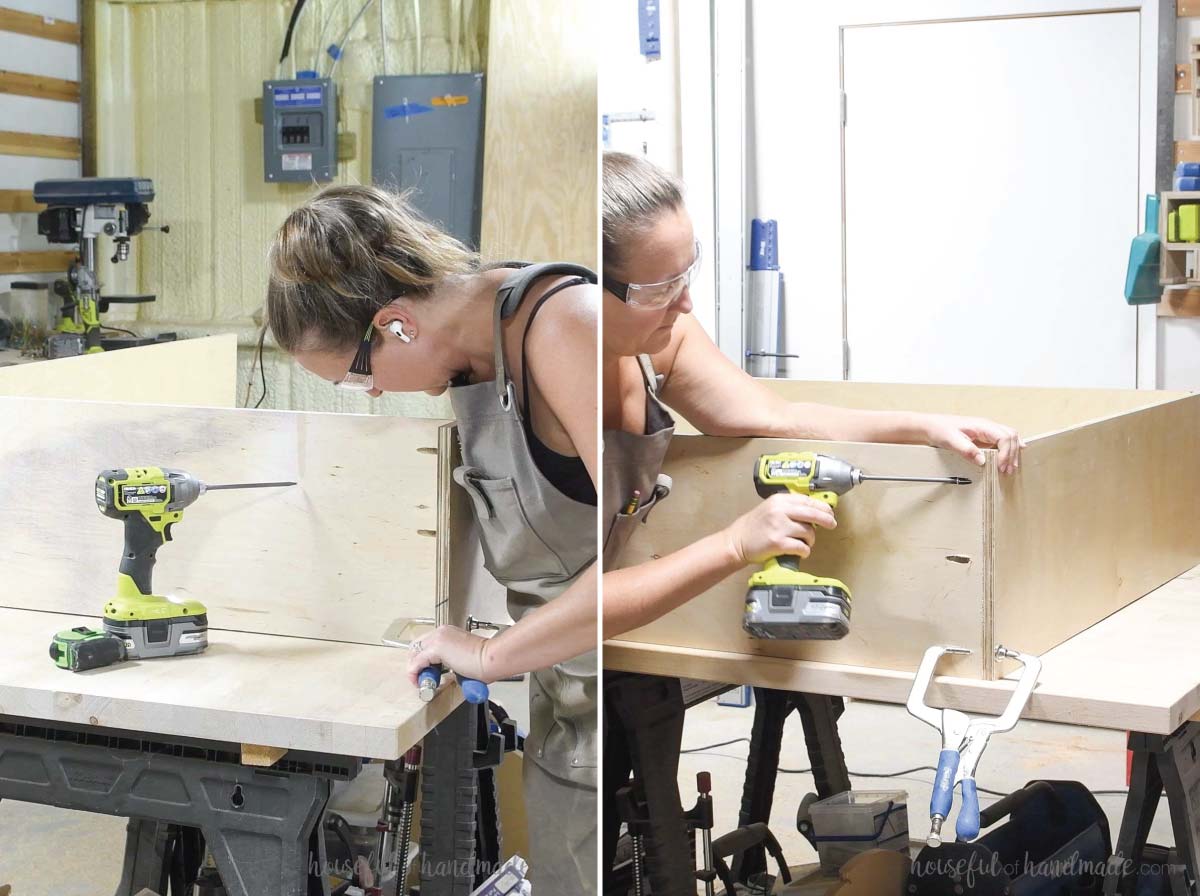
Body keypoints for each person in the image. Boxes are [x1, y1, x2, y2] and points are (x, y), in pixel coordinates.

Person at [599, 151, 1024, 887]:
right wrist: (734, 542)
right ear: (583, 287)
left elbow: (776, 418)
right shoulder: (545, 379)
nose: (686, 303)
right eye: (660, 285)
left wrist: (923, 426)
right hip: (561, 637)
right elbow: (568, 594)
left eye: (689, 273)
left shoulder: (658, 336)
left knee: (643, 818)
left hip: (633, 624)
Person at [264, 183, 599, 892]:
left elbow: (637, 550)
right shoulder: (468, 356)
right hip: (564, 686)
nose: (374, 394)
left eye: (358, 377)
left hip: (615, 686)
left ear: (396, 324)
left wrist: (492, 651)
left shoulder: (561, 324)